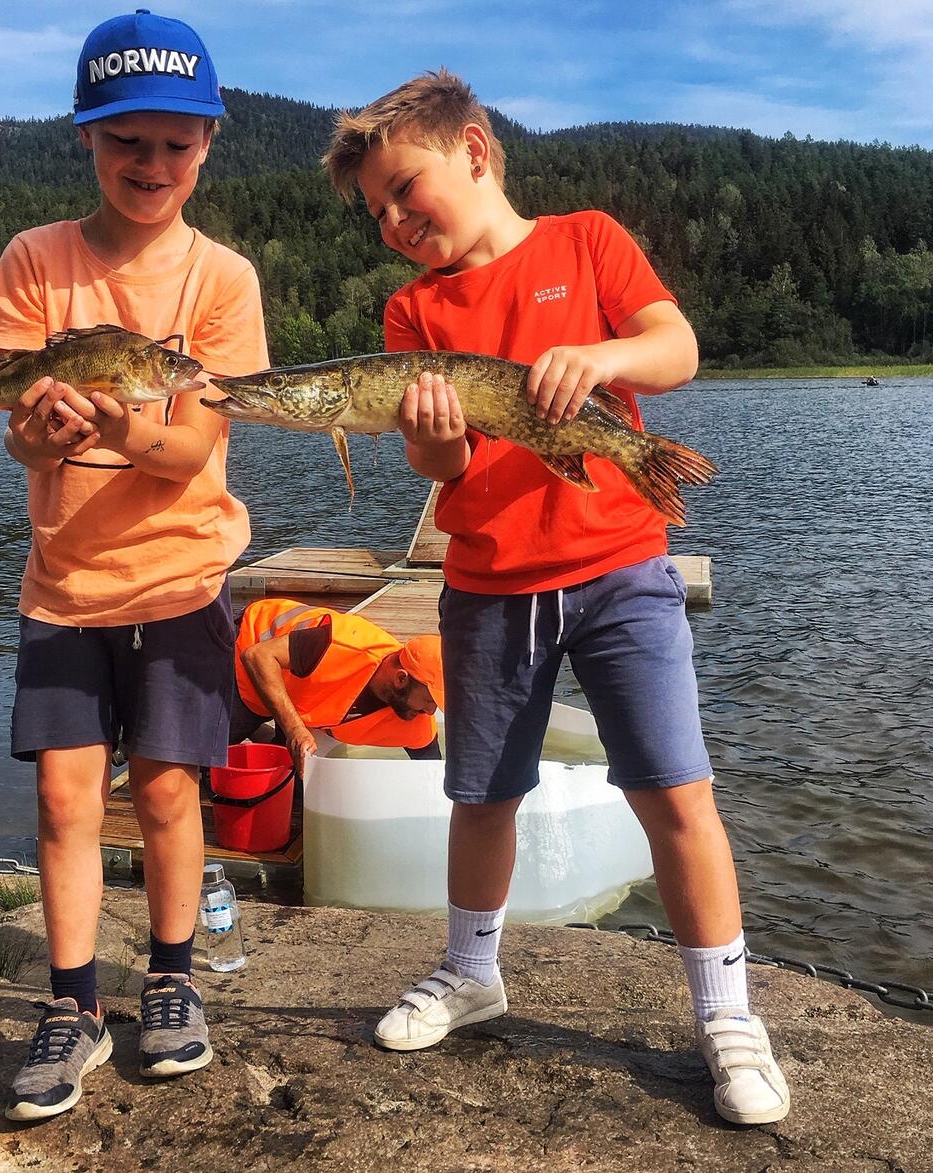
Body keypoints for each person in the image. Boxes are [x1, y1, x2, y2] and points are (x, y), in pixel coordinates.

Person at [322, 70, 790, 1126]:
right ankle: (470, 970)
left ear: (474, 152)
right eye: (378, 212)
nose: (394, 222)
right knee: (481, 796)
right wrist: (436, 434)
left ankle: (727, 1014)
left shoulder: (587, 241)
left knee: (676, 793)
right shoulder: (412, 310)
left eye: (406, 190)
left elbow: (677, 349)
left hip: (623, 569)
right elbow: (440, 468)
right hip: (488, 586)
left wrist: (603, 355)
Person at [0, 11, 269, 1121]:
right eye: (126, 142)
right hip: (64, 584)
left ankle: (173, 980)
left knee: (165, 788)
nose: (151, 164)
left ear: (208, 143)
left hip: (183, 577)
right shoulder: (34, 260)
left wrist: (109, 420)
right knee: (64, 799)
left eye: (175, 144)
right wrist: (41, 431)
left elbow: (192, 451)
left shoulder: (222, 280)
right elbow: (19, 438)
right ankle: (72, 1007)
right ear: (87, 139)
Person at [230, 597, 445, 774]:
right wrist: (294, 729)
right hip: (247, 656)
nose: (430, 711)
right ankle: (253, 727)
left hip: (300, 692)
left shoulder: (416, 719)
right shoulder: (338, 644)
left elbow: (433, 775)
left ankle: (270, 736)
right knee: (214, 754)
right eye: (429, 700)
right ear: (401, 679)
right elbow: (257, 656)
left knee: (294, 784)